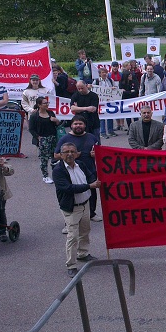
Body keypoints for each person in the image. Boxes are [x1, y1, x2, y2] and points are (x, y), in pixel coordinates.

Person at [53, 142, 101, 278]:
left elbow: (90, 175)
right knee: (73, 236)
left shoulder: (81, 164)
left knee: (85, 231)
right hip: (71, 208)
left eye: (72, 152)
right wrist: (90, 186)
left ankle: (83, 254)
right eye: (66, 152)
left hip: (85, 205)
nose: (70, 154)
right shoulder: (58, 171)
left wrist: (96, 180)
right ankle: (71, 265)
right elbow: (68, 188)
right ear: (61, 155)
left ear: (77, 153)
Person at [54, 116, 100, 222]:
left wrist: (96, 154)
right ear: (71, 125)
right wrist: (72, 155)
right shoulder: (65, 139)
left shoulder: (92, 137)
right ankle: (70, 218)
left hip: (90, 170)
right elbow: (56, 155)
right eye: (75, 124)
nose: (78, 126)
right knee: (72, 193)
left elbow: (100, 150)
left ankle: (91, 213)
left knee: (91, 193)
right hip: (71, 170)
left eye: (80, 124)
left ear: (85, 125)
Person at [28, 96, 60, 184]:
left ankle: (56, 174)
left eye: (47, 103)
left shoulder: (50, 113)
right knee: (44, 158)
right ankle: (45, 176)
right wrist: (38, 137)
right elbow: (31, 129)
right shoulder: (34, 116)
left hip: (53, 137)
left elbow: (57, 124)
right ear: (39, 105)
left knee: (55, 157)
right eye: (45, 103)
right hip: (43, 139)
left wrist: (56, 120)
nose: (47, 104)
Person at [92, 68, 117, 139]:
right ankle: (102, 132)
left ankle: (110, 130)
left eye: (106, 72)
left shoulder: (110, 80)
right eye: (103, 72)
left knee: (110, 116)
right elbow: (93, 90)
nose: (104, 74)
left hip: (109, 101)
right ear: (100, 74)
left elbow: (116, 87)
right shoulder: (96, 81)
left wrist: (114, 88)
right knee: (102, 117)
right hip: (101, 102)